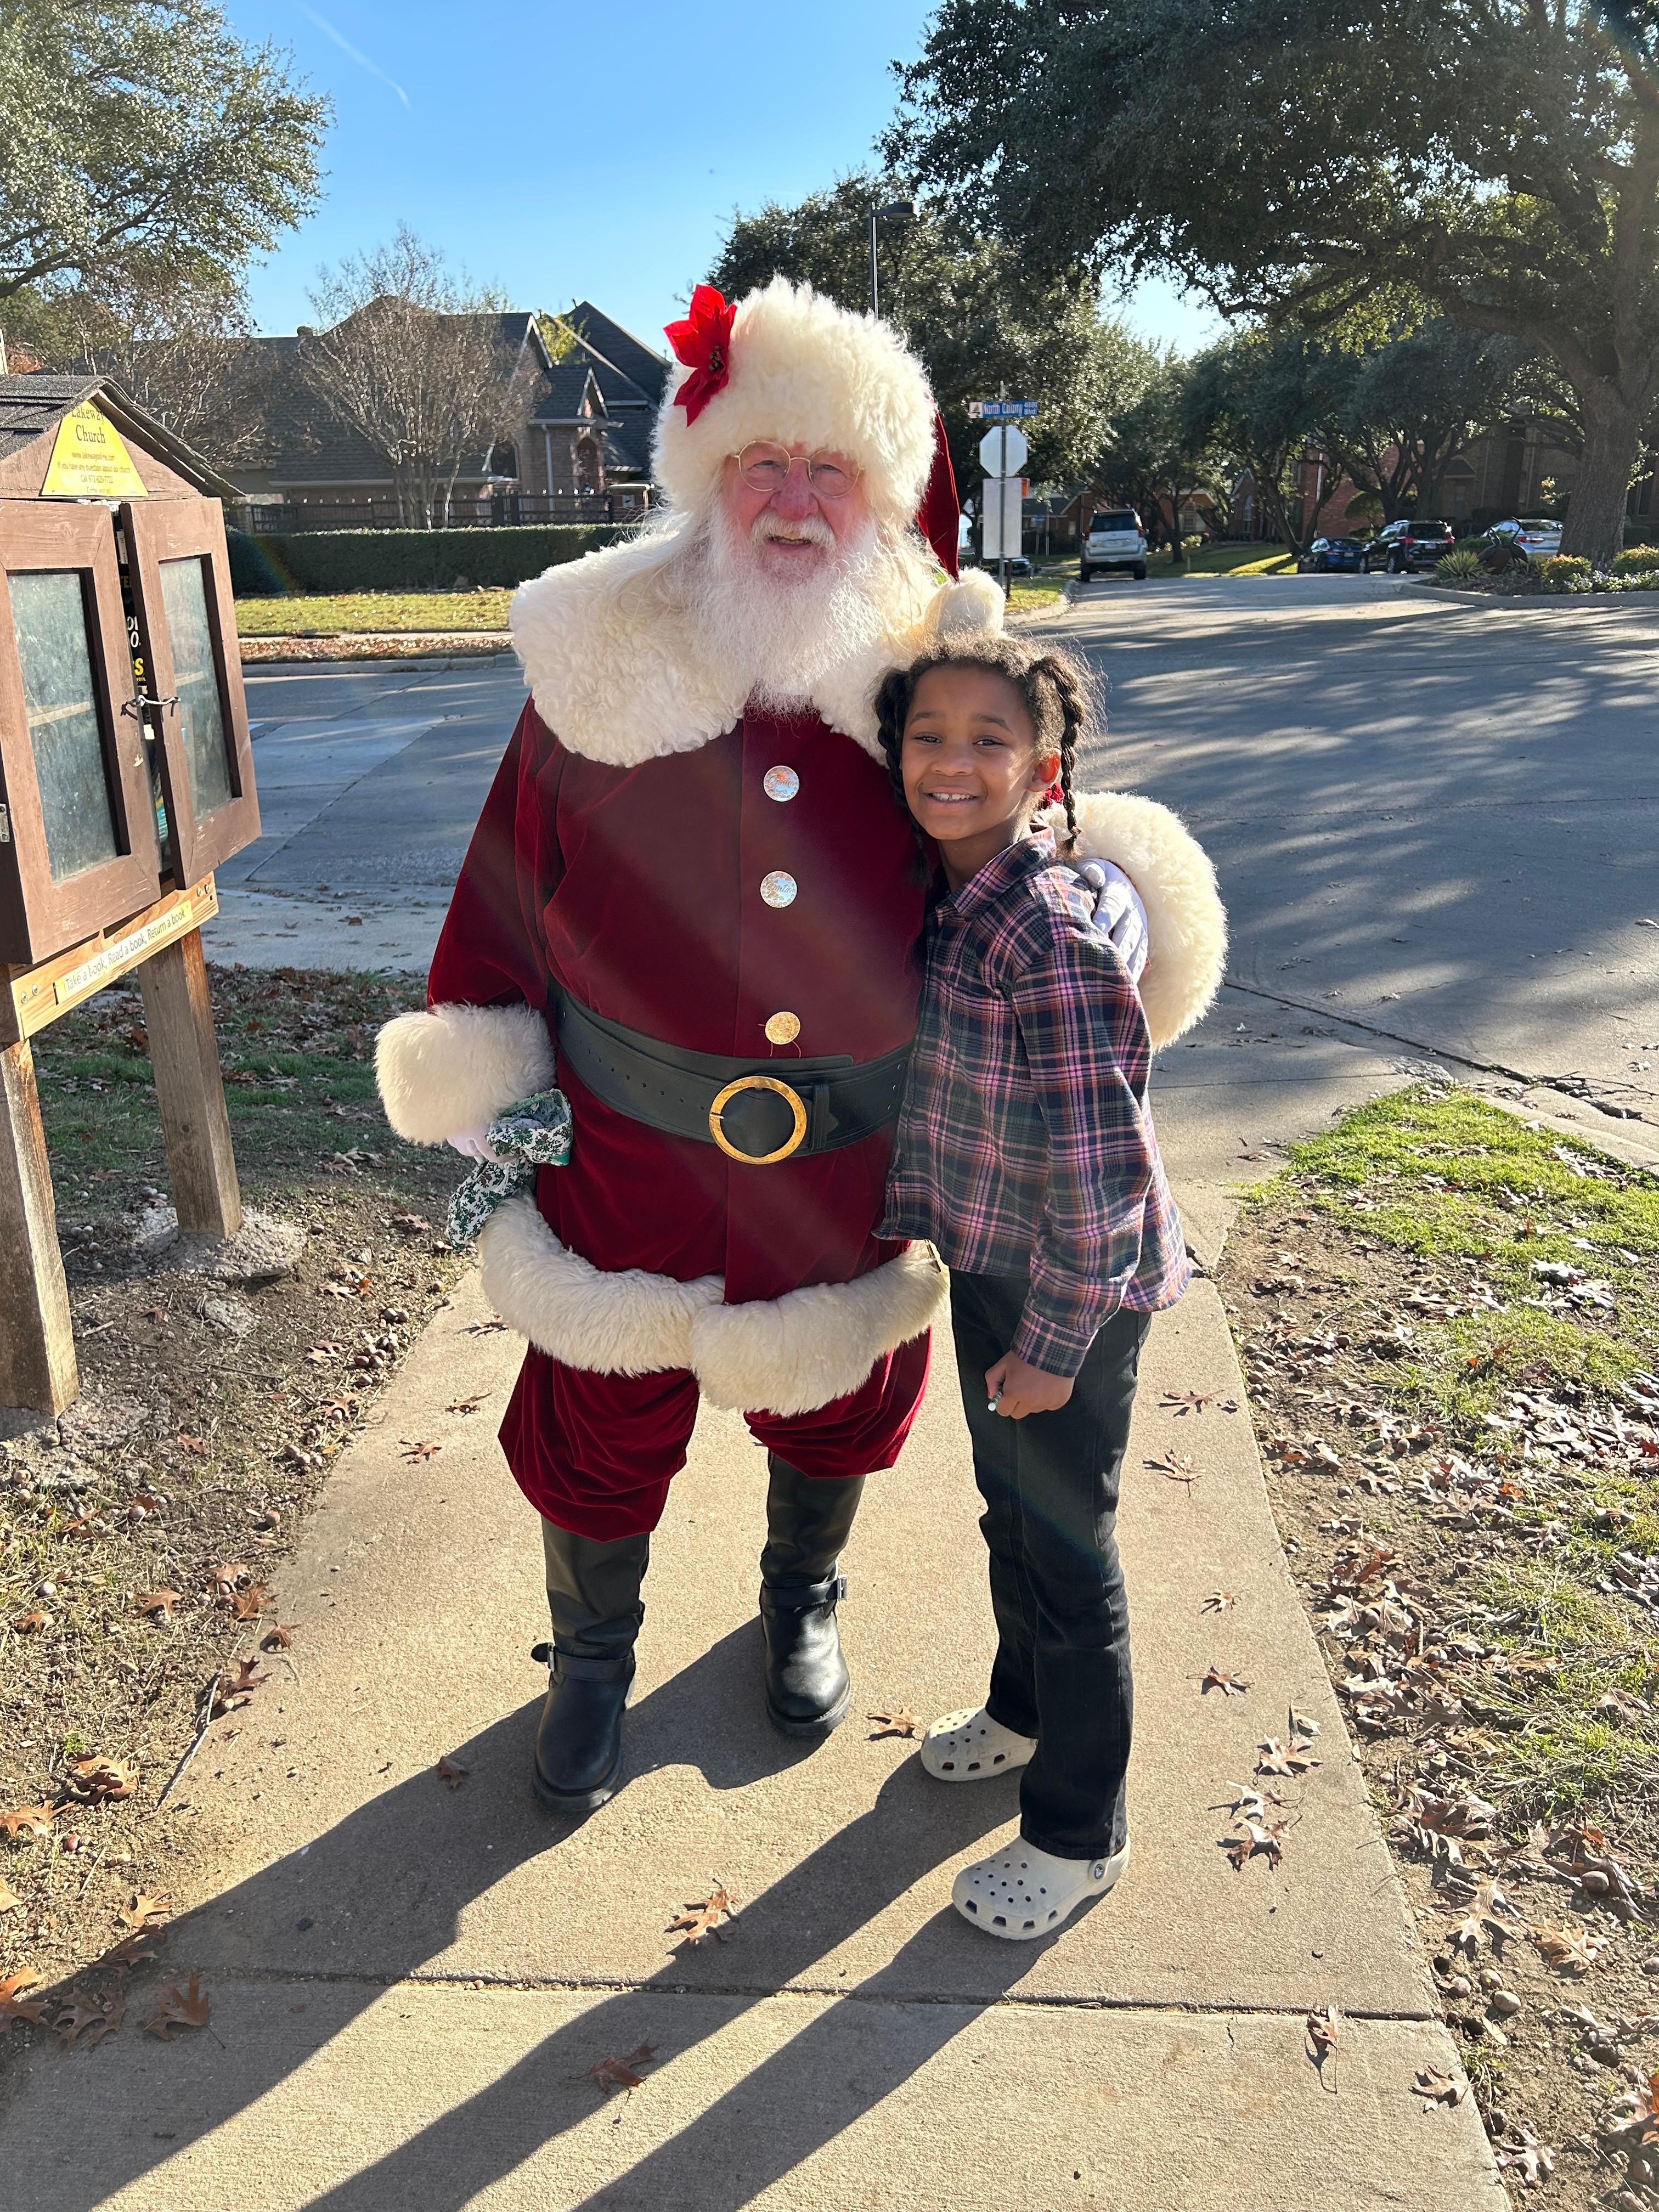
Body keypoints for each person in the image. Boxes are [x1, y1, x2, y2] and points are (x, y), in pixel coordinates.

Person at [374, 276, 1227, 1815]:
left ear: (881, 490)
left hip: (848, 1153)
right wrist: (485, 1079)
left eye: (829, 468)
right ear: (706, 475)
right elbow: (506, 879)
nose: (791, 498)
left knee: (836, 1396)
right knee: (597, 1407)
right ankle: (590, 1662)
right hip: (626, 1144)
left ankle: (800, 1600)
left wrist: (1115, 908)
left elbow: (1041, 842)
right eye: (760, 462)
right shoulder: (593, 668)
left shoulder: (930, 675)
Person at [876, 611, 1192, 1940]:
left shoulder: (1044, 934)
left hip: (1078, 1289)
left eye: (988, 742)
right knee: (1014, 1518)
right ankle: (1020, 1711)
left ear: (1043, 770)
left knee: (1071, 1555)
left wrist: (1058, 1342)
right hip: (1000, 1269)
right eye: (927, 736)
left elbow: (1104, 1172)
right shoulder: (958, 899)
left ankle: (1079, 1833)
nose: (951, 761)